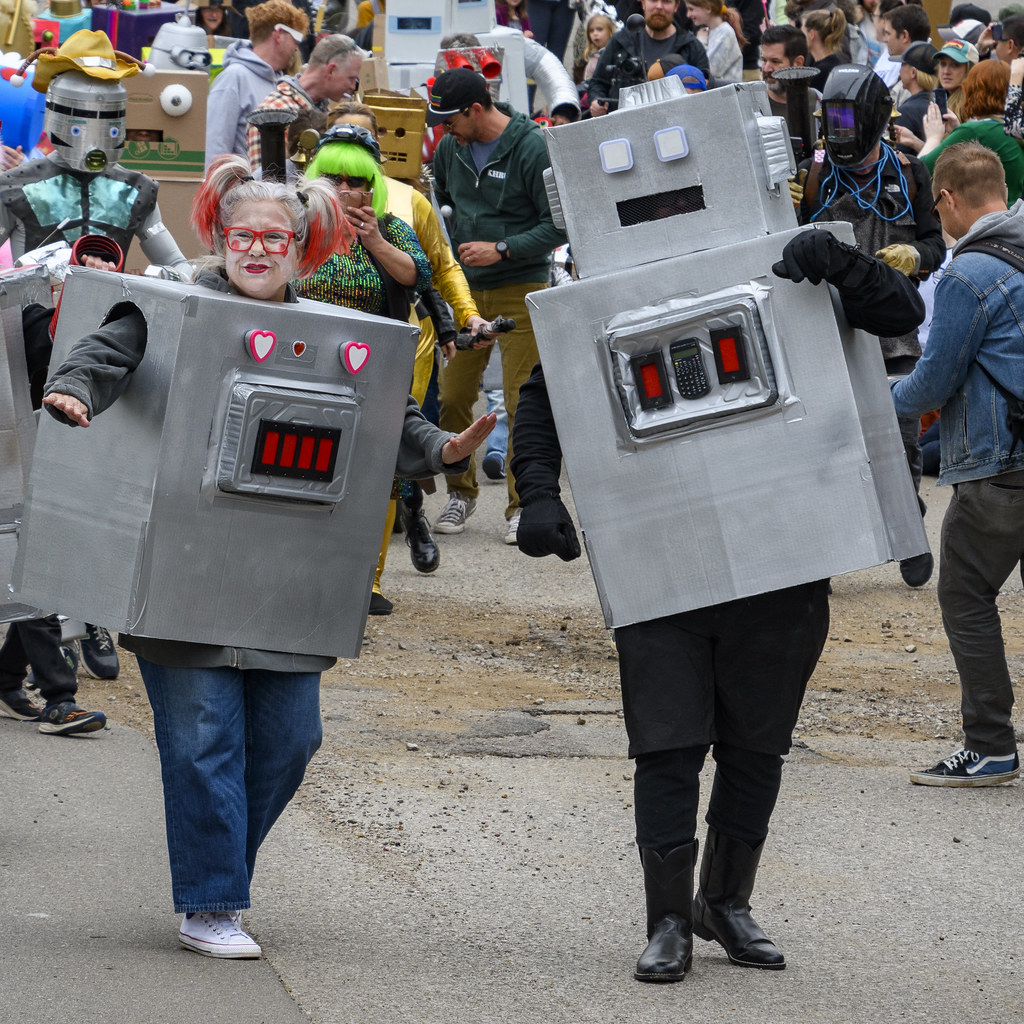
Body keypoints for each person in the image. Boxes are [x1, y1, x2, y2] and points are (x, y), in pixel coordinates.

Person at [40, 155, 495, 957]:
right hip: (180, 567)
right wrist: (76, 388)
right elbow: (108, 348)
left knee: (291, 741)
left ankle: (216, 875)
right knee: (204, 737)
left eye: (274, 238)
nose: (257, 249)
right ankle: (212, 903)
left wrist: (443, 446)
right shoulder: (176, 303)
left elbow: (387, 414)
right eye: (242, 234)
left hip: (292, 576)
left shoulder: (333, 331)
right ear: (218, 233)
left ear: (304, 248)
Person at [511, 230, 926, 982]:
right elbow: (547, 393)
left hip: (784, 554)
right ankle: (668, 919)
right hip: (657, 558)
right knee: (666, 744)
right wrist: (536, 491)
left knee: (755, 744)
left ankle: (725, 902)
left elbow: (899, 312)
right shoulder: (613, 284)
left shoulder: (798, 254)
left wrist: (842, 261)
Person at [890, 141, 1023, 787]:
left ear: (945, 199)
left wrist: (881, 403)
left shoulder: (969, 275)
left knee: (966, 596)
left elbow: (932, 385)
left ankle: (991, 744)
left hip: (1002, 468)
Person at [326, 103, 490, 581]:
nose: (346, 183)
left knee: (388, 445)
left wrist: (464, 319)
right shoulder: (304, 210)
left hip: (396, 343)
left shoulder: (407, 204)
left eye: (357, 170)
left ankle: (388, 549)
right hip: (321, 352)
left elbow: (438, 270)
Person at [797, 64, 946, 589]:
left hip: (893, 335)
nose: (839, 132)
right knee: (828, 442)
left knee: (900, 437)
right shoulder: (811, 173)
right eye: (831, 120)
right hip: (827, 330)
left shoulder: (908, 173)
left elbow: (936, 243)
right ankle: (832, 548)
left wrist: (915, 254)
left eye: (847, 120)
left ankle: (907, 530)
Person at [296, 123, 433, 614]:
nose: (348, 191)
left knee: (371, 478)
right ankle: (297, 571)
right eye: (335, 179)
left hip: (367, 374)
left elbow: (417, 274)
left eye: (358, 182)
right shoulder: (298, 223)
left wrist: (374, 241)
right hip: (303, 369)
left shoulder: (390, 228)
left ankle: (364, 582)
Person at [426, 68, 566, 545]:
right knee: (451, 395)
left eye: (450, 120)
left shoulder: (533, 146)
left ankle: (520, 505)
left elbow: (560, 226)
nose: (443, 130)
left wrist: (501, 248)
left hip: (520, 286)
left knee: (519, 402)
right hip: (466, 294)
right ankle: (460, 494)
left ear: (477, 109)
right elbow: (441, 202)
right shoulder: (451, 148)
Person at [204, 0, 309, 168]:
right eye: (296, 40)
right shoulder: (234, 77)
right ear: (279, 34)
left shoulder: (281, 80)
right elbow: (214, 149)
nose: (297, 48)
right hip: (240, 192)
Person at [246, 34, 363, 176]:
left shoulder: (324, 109)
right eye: (351, 78)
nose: (353, 87)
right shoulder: (274, 112)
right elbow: (262, 185)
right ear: (331, 70)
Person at [917, 61, 1024, 206]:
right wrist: (959, 130)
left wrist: (933, 137)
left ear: (974, 89)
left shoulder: (976, 130)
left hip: (995, 220)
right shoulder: (1014, 127)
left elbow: (920, 171)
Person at [588, 0, 710, 115]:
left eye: (666, 1)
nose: (659, 6)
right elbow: (598, 82)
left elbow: (706, 88)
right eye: (653, 0)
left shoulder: (691, 46)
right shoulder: (620, 41)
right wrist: (596, 101)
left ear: (676, 6)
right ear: (643, 3)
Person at [760, 24, 818, 142]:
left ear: (798, 63)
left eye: (775, 61)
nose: (766, 69)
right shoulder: (752, 106)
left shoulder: (819, 105)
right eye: (764, 60)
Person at [684, 0, 745, 84]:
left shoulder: (725, 32)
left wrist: (700, 42)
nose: (688, 15)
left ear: (708, 9)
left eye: (691, 9)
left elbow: (708, 71)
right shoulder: (710, 32)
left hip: (728, 94)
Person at [892, 41, 938, 148]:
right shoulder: (939, 104)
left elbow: (900, 159)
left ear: (913, 72)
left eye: (903, 65)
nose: (899, 71)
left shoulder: (906, 111)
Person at [936, 38, 979, 122]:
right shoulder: (937, 99)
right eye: (943, 64)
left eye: (955, 65)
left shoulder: (975, 107)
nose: (946, 71)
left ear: (970, 70)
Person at [802, 8, 846, 88]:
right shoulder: (836, 64)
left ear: (811, 34)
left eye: (803, 33)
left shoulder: (819, 74)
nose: (801, 39)